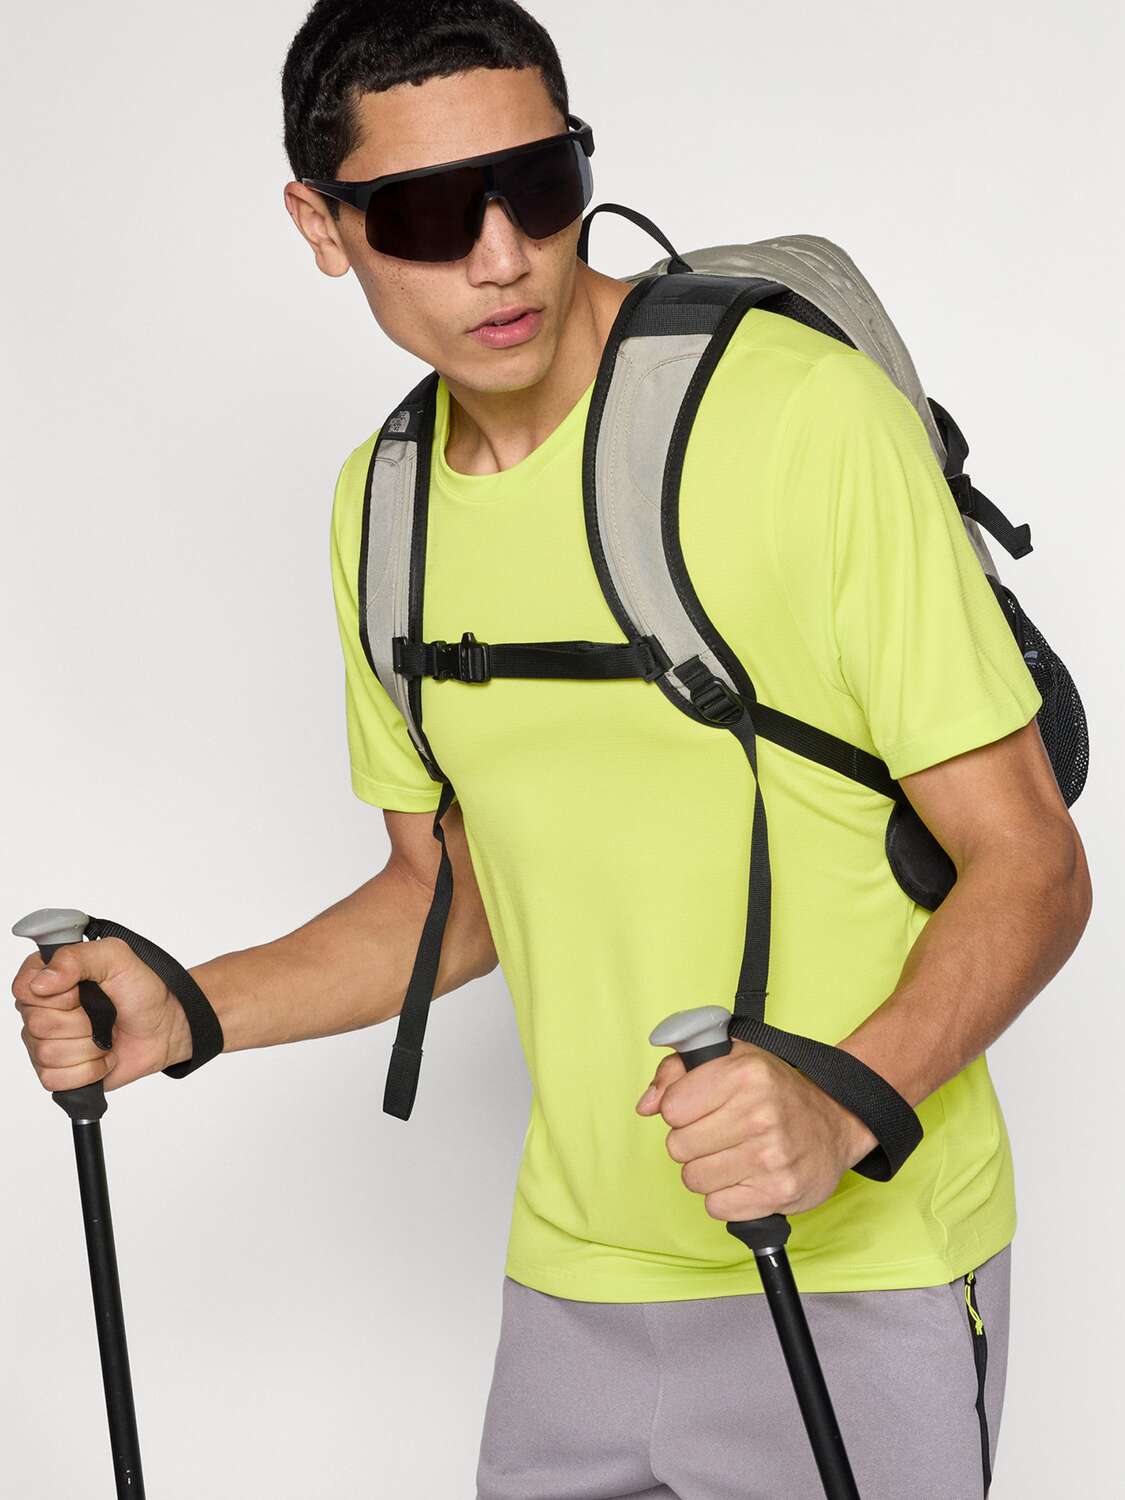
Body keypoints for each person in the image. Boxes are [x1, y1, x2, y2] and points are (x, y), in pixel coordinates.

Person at [11, 4, 1092, 1496]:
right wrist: (193, 1009)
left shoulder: (801, 421)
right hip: (573, 1295)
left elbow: (1029, 860)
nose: (504, 254)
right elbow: (447, 887)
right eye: (428, 213)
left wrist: (842, 1102)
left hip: (857, 1273)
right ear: (321, 225)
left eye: (538, 183)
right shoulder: (385, 504)